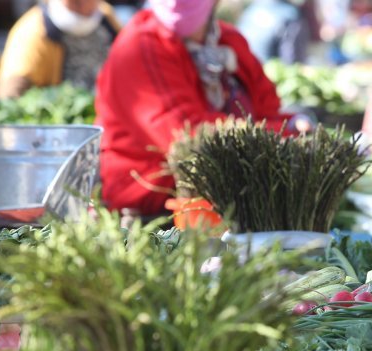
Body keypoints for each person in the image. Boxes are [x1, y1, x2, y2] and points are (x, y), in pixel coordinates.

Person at [94, 0, 292, 217]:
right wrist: (288, 134)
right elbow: (189, 138)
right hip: (155, 210)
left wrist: (294, 125)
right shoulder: (139, 46)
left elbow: (269, 108)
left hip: (235, 197)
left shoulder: (230, 40)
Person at [0, 0, 121, 99]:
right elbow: (10, 94)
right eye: (76, 1)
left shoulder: (106, 17)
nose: (84, 4)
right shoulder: (31, 32)